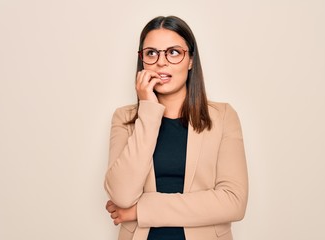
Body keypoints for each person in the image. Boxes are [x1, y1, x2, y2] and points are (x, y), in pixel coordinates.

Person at [104, 15, 248, 240]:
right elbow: (122, 195)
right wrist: (148, 111)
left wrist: (140, 210)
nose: (161, 62)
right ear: (142, 61)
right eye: (151, 53)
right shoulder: (124, 118)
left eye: (173, 52)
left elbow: (233, 202)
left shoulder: (223, 117)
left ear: (190, 60)